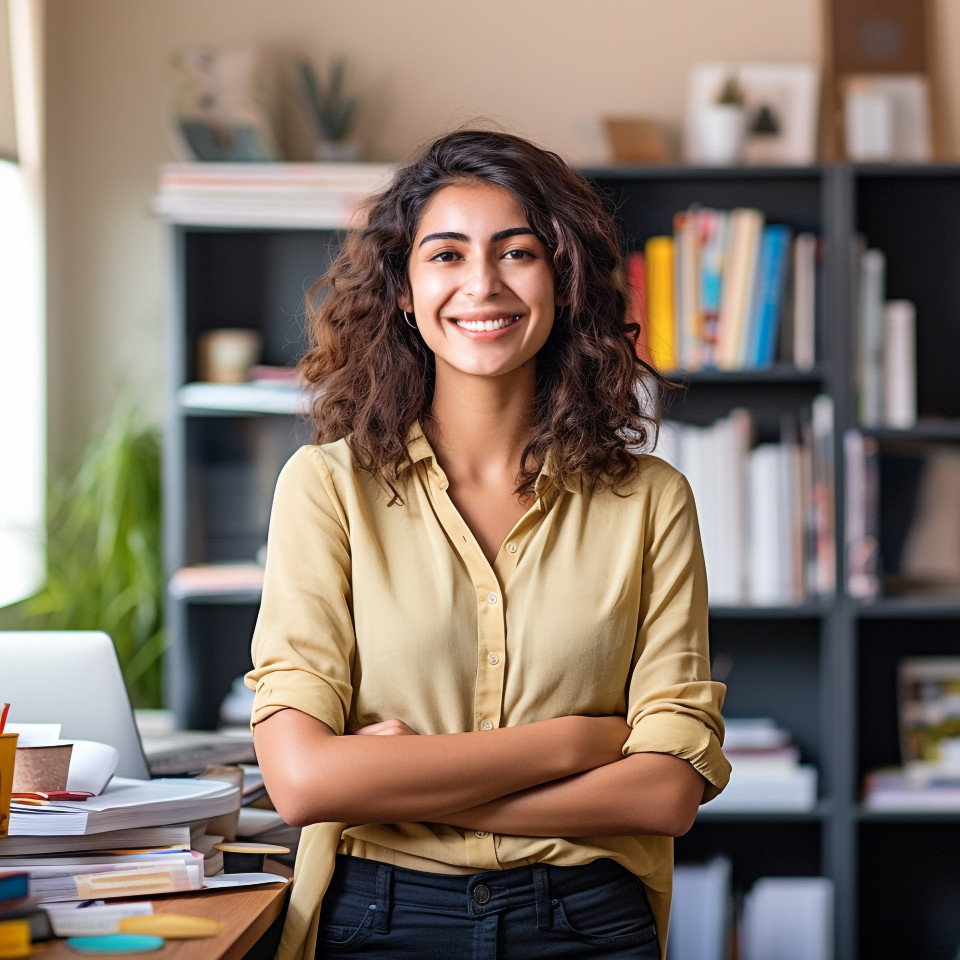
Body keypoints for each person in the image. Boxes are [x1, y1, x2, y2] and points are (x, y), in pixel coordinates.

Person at [246, 129, 730, 960]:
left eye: (517, 253)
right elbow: (302, 782)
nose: (482, 285)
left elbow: (666, 793)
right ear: (403, 288)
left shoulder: (651, 503)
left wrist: (398, 783)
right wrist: (576, 744)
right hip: (379, 916)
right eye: (445, 255)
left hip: (587, 920)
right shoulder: (327, 488)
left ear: (564, 279)